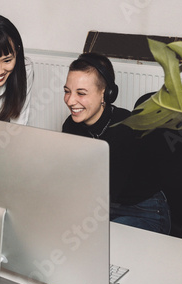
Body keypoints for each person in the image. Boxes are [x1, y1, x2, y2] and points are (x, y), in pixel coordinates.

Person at [62, 52, 171, 234]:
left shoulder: (126, 130)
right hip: (104, 207)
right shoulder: (71, 126)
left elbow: (101, 196)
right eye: (67, 91)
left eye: (81, 93)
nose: (70, 101)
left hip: (144, 211)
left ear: (106, 93)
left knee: (95, 242)